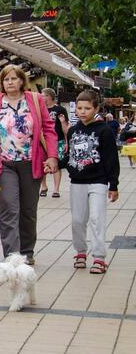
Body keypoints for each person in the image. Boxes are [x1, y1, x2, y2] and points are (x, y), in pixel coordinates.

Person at [0, 65, 58, 265]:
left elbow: (48, 129)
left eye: (14, 78)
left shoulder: (35, 100)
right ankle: (12, 256)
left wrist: (52, 156)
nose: (10, 82)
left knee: (28, 211)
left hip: (31, 162)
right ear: (2, 83)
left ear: (22, 80)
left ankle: (27, 250)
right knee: (9, 209)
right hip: (4, 165)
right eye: (6, 79)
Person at [67, 90, 119, 274]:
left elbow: (111, 159)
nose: (82, 112)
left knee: (97, 218)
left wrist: (113, 184)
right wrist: (56, 164)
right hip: (77, 182)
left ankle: (99, 257)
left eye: (87, 108)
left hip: (98, 181)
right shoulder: (73, 130)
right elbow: (69, 156)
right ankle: (80, 252)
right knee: (77, 220)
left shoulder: (104, 130)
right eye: (79, 108)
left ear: (96, 108)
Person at [39, 88, 69, 198]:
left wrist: (67, 142)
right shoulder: (40, 109)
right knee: (42, 164)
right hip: (42, 140)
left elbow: (65, 126)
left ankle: (56, 189)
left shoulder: (60, 109)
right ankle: (44, 186)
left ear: (50, 96)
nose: (42, 98)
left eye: (44, 96)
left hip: (58, 140)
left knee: (57, 164)